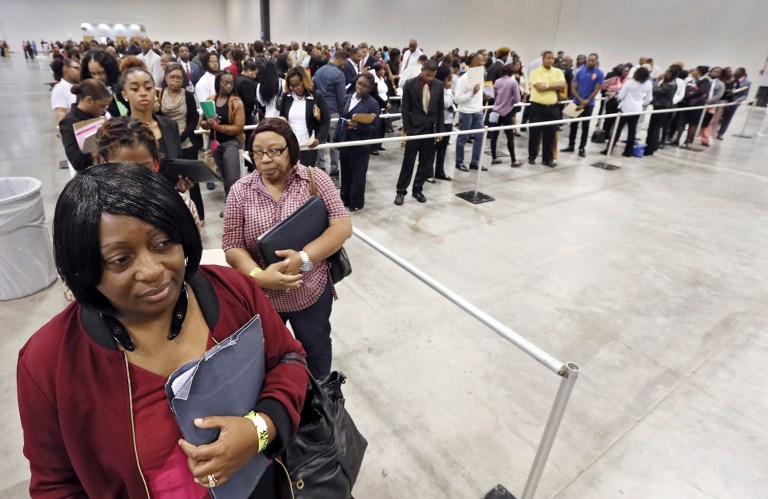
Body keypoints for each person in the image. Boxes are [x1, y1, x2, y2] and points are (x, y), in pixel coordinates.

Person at [18, 163, 308, 497]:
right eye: (120, 260)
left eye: (163, 243)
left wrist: (259, 429)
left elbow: (288, 359)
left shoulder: (233, 292)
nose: (152, 271)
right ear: (83, 267)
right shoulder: (49, 362)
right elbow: (56, 484)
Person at [223, 118, 352, 379]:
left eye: (274, 151)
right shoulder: (240, 191)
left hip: (311, 290)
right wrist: (259, 277)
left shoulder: (315, 179)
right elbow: (232, 245)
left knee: (315, 346)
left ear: (291, 149)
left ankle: (320, 398)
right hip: (264, 297)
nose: (265, 160)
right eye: (258, 153)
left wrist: (304, 259)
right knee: (268, 353)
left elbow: (341, 226)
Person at [394, 59, 444, 205]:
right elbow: (405, 108)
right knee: (408, 162)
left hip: (430, 130)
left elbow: (440, 109)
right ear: (422, 70)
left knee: (425, 162)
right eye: (428, 74)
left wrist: (439, 131)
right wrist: (407, 129)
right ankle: (400, 191)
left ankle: (418, 189)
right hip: (414, 130)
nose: (430, 78)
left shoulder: (439, 85)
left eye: (433, 75)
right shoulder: (410, 84)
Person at [160, 63, 205, 222]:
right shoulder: (160, 95)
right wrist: (169, 139)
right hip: (165, 143)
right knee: (171, 180)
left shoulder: (187, 95)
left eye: (179, 77)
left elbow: (193, 120)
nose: (176, 80)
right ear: (166, 78)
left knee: (191, 181)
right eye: (172, 77)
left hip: (186, 142)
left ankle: (199, 215)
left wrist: (180, 138)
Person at [336, 73, 381, 211]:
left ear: (370, 88)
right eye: (359, 83)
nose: (360, 87)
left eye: (365, 86)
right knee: (345, 171)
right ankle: (344, 198)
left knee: (358, 174)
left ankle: (356, 202)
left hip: (360, 144)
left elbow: (375, 127)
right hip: (345, 141)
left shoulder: (373, 104)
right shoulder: (347, 98)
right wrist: (336, 139)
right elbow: (341, 119)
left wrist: (357, 126)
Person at [200, 70, 245, 198]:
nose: (229, 86)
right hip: (215, 143)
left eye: (231, 83)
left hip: (232, 143)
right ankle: (229, 206)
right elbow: (202, 122)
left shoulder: (236, 102)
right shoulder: (210, 100)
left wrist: (217, 126)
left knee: (233, 179)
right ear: (218, 83)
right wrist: (208, 124)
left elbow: (238, 128)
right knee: (224, 177)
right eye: (225, 83)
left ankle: (236, 209)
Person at [279, 66, 330, 167]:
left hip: (308, 146)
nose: (295, 88)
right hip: (289, 145)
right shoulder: (286, 97)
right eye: (292, 86)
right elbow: (282, 117)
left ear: (305, 81)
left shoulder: (317, 96)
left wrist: (318, 139)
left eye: (298, 84)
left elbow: (325, 121)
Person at [58, 79, 112, 173]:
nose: (104, 110)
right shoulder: (68, 123)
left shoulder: (100, 117)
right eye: (102, 106)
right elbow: (76, 162)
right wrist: (97, 150)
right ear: (89, 100)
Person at [600, 66, 653, 157]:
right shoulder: (648, 84)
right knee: (632, 131)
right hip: (637, 110)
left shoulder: (629, 83)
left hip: (625, 109)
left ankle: (609, 149)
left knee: (617, 130)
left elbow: (621, 96)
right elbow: (649, 99)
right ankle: (628, 152)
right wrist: (641, 103)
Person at [312, 49, 348, 175]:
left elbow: (313, 91)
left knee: (319, 139)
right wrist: (342, 111)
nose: (344, 65)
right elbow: (341, 97)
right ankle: (334, 168)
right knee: (334, 141)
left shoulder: (318, 71)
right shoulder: (339, 74)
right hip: (333, 111)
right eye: (344, 62)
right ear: (340, 59)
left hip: (319, 111)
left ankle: (320, 166)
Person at [561, 53, 604, 158]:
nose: (590, 62)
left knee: (585, 126)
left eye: (592, 60)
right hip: (576, 101)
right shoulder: (581, 71)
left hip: (589, 104)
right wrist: (580, 100)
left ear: (596, 61)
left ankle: (582, 148)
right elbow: (573, 87)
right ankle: (571, 145)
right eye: (589, 60)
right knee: (573, 125)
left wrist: (587, 100)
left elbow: (597, 89)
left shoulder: (599, 74)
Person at [527, 50, 565, 167]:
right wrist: (554, 86)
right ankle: (532, 156)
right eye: (548, 58)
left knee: (550, 134)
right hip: (537, 108)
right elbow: (539, 87)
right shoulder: (535, 72)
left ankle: (547, 159)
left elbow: (562, 85)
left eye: (552, 58)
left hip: (552, 108)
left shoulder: (558, 71)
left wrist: (547, 85)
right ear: (543, 59)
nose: (550, 60)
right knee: (535, 134)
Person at [454, 52, 487, 171]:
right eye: (481, 60)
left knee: (480, 137)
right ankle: (459, 161)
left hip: (478, 110)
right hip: (466, 112)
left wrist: (485, 96)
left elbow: (478, 95)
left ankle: (475, 162)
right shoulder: (463, 79)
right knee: (463, 138)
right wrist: (471, 93)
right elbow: (457, 99)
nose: (483, 62)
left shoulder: (479, 75)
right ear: (473, 62)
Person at [489, 64, 521, 167]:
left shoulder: (497, 81)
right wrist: (510, 101)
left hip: (496, 111)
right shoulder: (513, 82)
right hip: (507, 112)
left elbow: (494, 97)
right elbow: (517, 99)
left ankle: (494, 157)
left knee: (494, 136)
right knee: (510, 136)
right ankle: (513, 160)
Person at [644, 67, 679, 156]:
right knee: (654, 128)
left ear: (670, 73)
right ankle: (651, 146)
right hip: (660, 106)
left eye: (666, 72)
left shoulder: (670, 84)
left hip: (662, 107)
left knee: (654, 128)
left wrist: (656, 81)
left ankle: (650, 148)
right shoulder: (669, 82)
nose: (664, 73)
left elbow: (656, 90)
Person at [430, 65, 455, 182]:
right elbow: (446, 103)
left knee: (443, 149)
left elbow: (451, 102)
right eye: (450, 73)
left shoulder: (447, 87)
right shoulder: (438, 87)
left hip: (448, 121)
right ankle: (428, 173)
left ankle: (440, 172)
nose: (452, 76)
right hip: (439, 122)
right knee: (433, 149)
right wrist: (449, 90)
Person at [80, 49, 121, 117]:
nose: (97, 78)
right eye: (93, 73)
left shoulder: (119, 87)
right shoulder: (85, 91)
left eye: (101, 73)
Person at [718, 67, 750, 139]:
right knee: (719, 116)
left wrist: (739, 99)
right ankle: (714, 131)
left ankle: (721, 133)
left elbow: (745, 94)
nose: (735, 72)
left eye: (737, 71)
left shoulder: (747, 82)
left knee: (728, 117)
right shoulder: (730, 78)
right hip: (725, 99)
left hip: (734, 101)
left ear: (742, 73)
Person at [51, 59, 80, 135]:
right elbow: (61, 111)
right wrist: (59, 128)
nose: (80, 71)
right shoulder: (60, 89)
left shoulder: (80, 84)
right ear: (66, 69)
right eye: (76, 68)